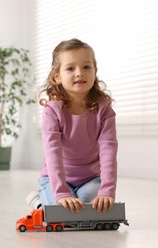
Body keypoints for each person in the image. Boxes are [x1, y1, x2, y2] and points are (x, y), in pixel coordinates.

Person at [28, 38, 118, 213]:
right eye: (70, 68)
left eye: (86, 67)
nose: (79, 73)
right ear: (57, 76)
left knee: (88, 207)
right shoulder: (52, 111)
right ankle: (38, 201)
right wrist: (62, 194)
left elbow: (109, 151)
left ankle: (72, 199)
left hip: (90, 179)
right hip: (56, 179)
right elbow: (52, 153)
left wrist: (107, 191)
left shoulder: (104, 110)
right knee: (64, 210)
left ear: (95, 71)